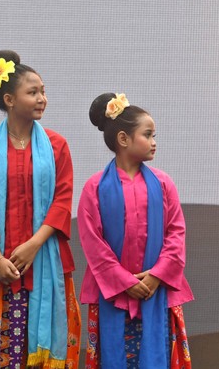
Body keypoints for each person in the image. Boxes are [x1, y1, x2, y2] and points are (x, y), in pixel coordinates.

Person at [0, 50, 81, 369]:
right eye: (33, 92)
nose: (42, 98)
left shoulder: (57, 146)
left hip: (47, 263)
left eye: (43, 91)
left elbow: (62, 201)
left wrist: (33, 245)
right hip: (1, 268)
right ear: (9, 99)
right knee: (3, 355)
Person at [77, 93, 194, 369]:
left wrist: (156, 276)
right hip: (113, 295)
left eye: (154, 135)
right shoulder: (94, 188)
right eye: (148, 134)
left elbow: (176, 234)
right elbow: (93, 245)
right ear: (123, 139)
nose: (154, 142)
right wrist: (125, 282)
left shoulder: (164, 184)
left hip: (158, 293)